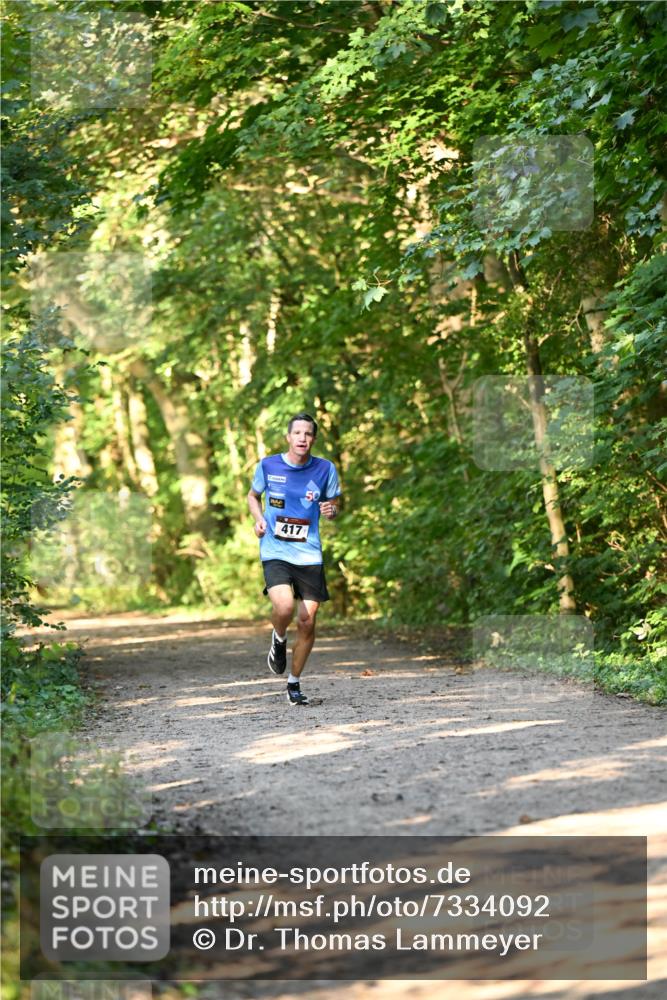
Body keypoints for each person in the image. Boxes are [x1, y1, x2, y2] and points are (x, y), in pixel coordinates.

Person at [247, 413, 341, 706]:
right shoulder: (268, 465)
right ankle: (277, 636)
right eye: (297, 432)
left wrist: (331, 510)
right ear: (288, 437)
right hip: (275, 550)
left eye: (308, 433)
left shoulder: (325, 469)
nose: (302, 437)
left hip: (309, 553)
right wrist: (259, 520)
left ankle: (294, 683)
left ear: (313, 439)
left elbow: (334, 502)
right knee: (285, 606)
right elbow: (252, 496)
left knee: (307, 621)